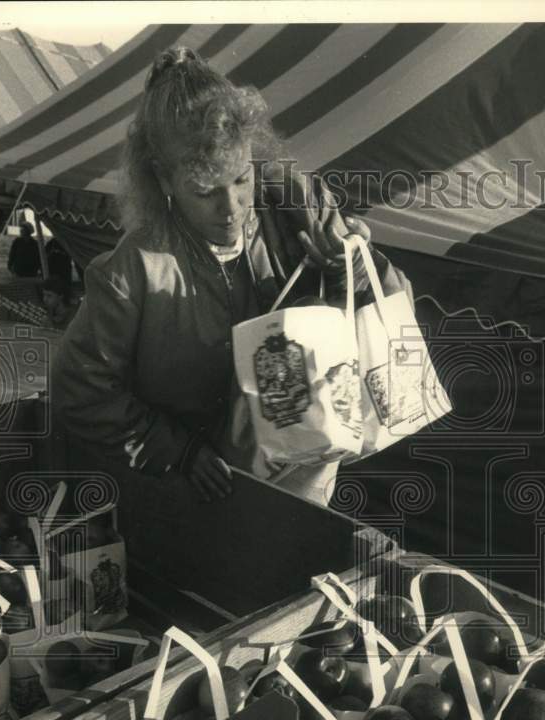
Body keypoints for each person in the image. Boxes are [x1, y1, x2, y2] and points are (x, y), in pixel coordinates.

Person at [50, 47, 413, 508]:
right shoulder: (134, 269)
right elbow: (77, 389)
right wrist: (174, 450)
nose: (231, 209)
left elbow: (390, 306)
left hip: (307, 472)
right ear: (163, 179)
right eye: (205, 192)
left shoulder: (298, 207)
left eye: (242, 179)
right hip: (194, 492)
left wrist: (355, 270)